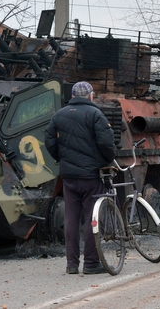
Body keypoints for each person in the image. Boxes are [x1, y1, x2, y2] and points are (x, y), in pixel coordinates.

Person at [45, 81, 116, 275]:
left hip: (68, 176)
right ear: (91, 96)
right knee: (93, 218)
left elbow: (49, 140)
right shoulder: (95, 114)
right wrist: (107, 160)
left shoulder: (59, 115)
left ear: (72, 96)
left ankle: (72, 264)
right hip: (91, 175)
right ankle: (91, 263)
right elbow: (106, 142)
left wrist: (61, 158)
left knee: (71, 219)